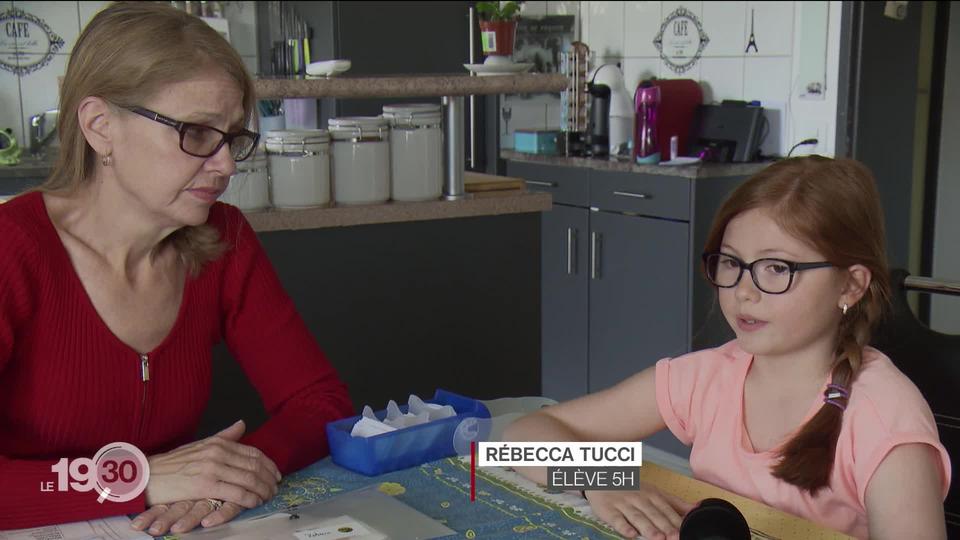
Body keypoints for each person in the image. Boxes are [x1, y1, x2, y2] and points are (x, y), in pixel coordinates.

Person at [0, 2, 353, 535]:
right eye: (196, 132)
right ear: (100, 126)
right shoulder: (11, 252)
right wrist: (133, 478)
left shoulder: (224, 237)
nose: (227, 163)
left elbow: (320, 402)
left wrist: (234, 470)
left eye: (233, 136)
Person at [505, 156, 951, 539]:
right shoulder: (706, 378)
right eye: (732, 263)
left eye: (777, 268)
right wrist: (600, 478)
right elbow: (518, 438)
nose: (743, 291)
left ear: (851, 285)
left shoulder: (883, 417)